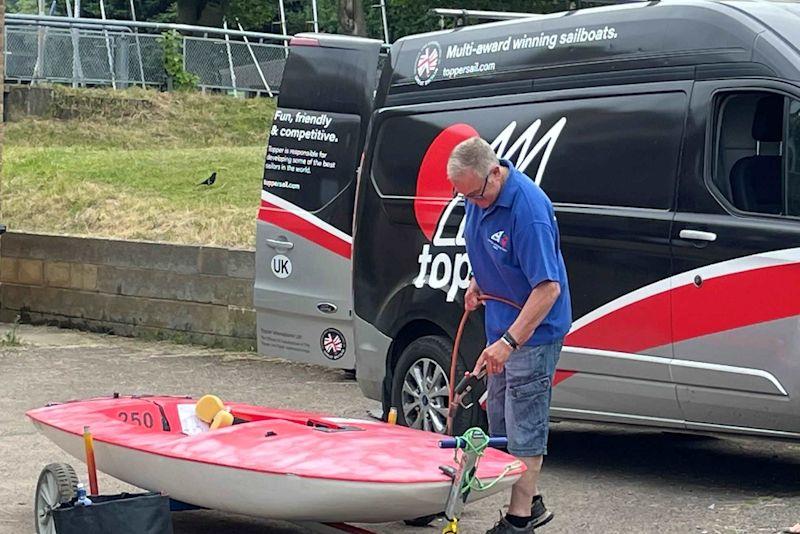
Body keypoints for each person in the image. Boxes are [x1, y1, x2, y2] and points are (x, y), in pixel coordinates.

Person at [447, 137, 572, 534]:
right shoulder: (477, 193)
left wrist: (510, 342)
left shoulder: (529, 210)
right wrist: (476, 280)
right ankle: (529, 496)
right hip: (499, 323)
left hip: (531, 334)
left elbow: (548, 288)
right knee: (499, 420)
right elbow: (489, 248)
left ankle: (521, 520)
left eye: (476, 194)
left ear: (496, 172)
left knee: (524, 425)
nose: (472, 202)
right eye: (463, 195)